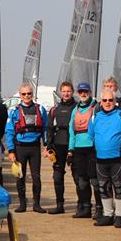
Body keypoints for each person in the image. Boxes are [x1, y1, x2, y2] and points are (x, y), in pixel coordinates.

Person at [89, 89, 121, 228]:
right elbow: (91, 135)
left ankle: (119, 216)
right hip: (100, 159)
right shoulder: (95, 117)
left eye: (110, 100)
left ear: (115, 101)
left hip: (118, 159)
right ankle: (108, 215)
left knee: (118, 186)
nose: (108, 103)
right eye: (105, 100)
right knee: (103, 187)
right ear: (101, 102)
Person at [5, 83, 49, 213]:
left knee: (36, 176)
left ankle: (37, 204)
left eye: (29, 94)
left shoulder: (40, 109)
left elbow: (45, 129)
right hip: (20, 148)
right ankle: (22, 204)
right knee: (20, 176)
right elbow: (9, 132)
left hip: (35, 148)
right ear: (20, 95)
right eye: (24, 94)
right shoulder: (14, 111)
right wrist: (11, 150)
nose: (26, 96)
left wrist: (46, 146)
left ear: (32, 94)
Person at [67, 83, 100, 218]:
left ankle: (99, 208)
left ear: (90, 92)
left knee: (95, 181)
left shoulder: (96, 107)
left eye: (85, 91)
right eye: (80, 91)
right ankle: (86, 208)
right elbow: (72, 131)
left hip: (92, 148)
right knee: (82, 181)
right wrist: (70, 150)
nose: (83, 94)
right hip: (79, 149)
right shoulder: (75, 110)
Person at [44, 82, 77, 214]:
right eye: (63, 91)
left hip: (73, 146)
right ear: (60, 92)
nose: (66, 93)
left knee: (78, 177)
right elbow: (49, 129)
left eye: (68, 91)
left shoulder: (77, 108)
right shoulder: (54, 109)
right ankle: (59, 205)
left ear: (72, 92)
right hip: (58, 146)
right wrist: (48, 146)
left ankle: (83, 205)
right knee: (57, 177)